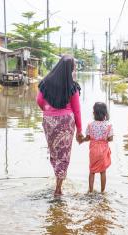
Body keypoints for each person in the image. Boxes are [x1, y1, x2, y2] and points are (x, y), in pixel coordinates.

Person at [37, 55, 83, 196]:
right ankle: (58, 187)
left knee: (54, 152)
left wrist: (49, 111)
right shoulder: (72, 87)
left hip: (49, 121)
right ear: (70, 69)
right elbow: (77, 110)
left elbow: (39, 100)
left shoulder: (45, 83)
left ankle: (57, 176)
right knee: (64, 154)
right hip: (66, 122)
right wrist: (79, 130)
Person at [81, 102, 113, 193]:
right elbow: (110, 139)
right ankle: (102, 191)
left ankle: (90, 191)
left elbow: (87, 138)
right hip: (103, 151)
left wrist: (82, 140)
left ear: (94, 113)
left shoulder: (90, 125)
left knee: (92, 171)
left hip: (93, 151)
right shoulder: (108, 126)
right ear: (105, 114)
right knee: (103, 171)